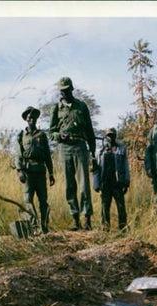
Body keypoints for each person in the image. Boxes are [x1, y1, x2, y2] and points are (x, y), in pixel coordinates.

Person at [49, 76, 98, 231]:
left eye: (65, 90)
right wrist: (58, 136)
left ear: (71, 89)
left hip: (80, 147)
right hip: (64, 149)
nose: (63, 93)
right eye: (61, 91)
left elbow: (90, 131)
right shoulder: (55, 109)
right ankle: (75, 219)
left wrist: (93, 153)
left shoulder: (81, 106)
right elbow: (51, 132)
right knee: (70, 186)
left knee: (84, 185)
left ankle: (87, 220)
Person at [12, 106, 55, 234]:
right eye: (29, 117)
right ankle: (35, 226)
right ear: (25, 119)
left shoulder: (42, 135)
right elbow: (18, 155)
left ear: (36, 119)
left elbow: (48, 155)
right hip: (28, 173)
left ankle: (44, 226)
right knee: (28, 200)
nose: (31, 119)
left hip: (41, 171)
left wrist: (51, 173)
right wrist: (20, 171)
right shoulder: (21, 136)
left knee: (43, 201)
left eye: (33, 117)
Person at [93, 127, 130, 231]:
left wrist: (126, 182)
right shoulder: (99, 151)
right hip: (105, 184)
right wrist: (96, 185)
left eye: (112, 135)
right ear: (105, 137)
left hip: (117, 183)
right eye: (108, 135)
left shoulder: (121, 149)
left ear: (115, 136)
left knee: (121, 206)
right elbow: (95, 169)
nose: (110, 137)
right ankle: (105, 228)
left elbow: (126, 166)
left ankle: (123, 228)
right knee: (105, 207)